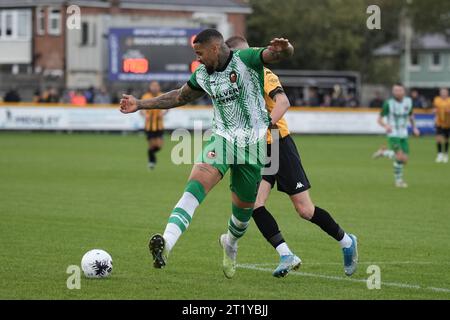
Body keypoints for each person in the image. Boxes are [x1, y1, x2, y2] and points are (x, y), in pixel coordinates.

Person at [119, 29, 295, 278]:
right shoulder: (202, 74)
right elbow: (179, 96)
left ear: (215, 48)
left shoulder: (246, 59)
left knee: (242, 216)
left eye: (199, 53)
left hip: (254, 147)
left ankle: (230, 245)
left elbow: (279, 55)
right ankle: (166, 244)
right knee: (195, 185)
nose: (198, 59)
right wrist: (139, 104)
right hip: (222, 139)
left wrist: (285, 48)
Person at [226, 36, 358, 278]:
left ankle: (347, 241)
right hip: (258, 148)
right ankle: (286, 254)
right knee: (254, 204)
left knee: (305, 210)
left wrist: (266, 123)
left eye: (234, 56)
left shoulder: (264, 74)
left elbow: (283, 102)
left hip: (278, 144)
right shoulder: (234, 81)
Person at [372, 83, 420, 187]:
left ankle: (384, 153)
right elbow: (379, 119)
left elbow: (411, 116)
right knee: (400, 157)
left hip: (403, 133)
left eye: (399, 90)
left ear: (404, 91)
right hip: (393, 133)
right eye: (395, 90)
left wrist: (414, 128)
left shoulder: (408, 101)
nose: (397, 92)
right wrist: (386, 126)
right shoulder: (388, 103)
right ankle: (399, 181)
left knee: (405, 160)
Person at [140, 81, 166, 169]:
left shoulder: (163, 95)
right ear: (150, 87)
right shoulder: (145, 96)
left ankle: (151, 155)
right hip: (149, 126)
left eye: (156, 86)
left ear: (159, 87)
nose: (155, 87)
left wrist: (163, 113)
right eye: (153, 86)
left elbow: (168, 108)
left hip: (159, 125)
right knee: (152, 145)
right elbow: (141, 109)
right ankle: (152, 162)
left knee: (159, 146)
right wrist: (145, 114)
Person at [433, 88, 450, 163]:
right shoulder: (437, 100)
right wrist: (434, 111)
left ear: (447, 93)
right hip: (439, 122)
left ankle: (446, 154)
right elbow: (435, 109)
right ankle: (439, 154)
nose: (443, 93)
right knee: (438, 138)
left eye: (444, 92)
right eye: (442, 92)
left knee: (446, 139)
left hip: (448, 123)